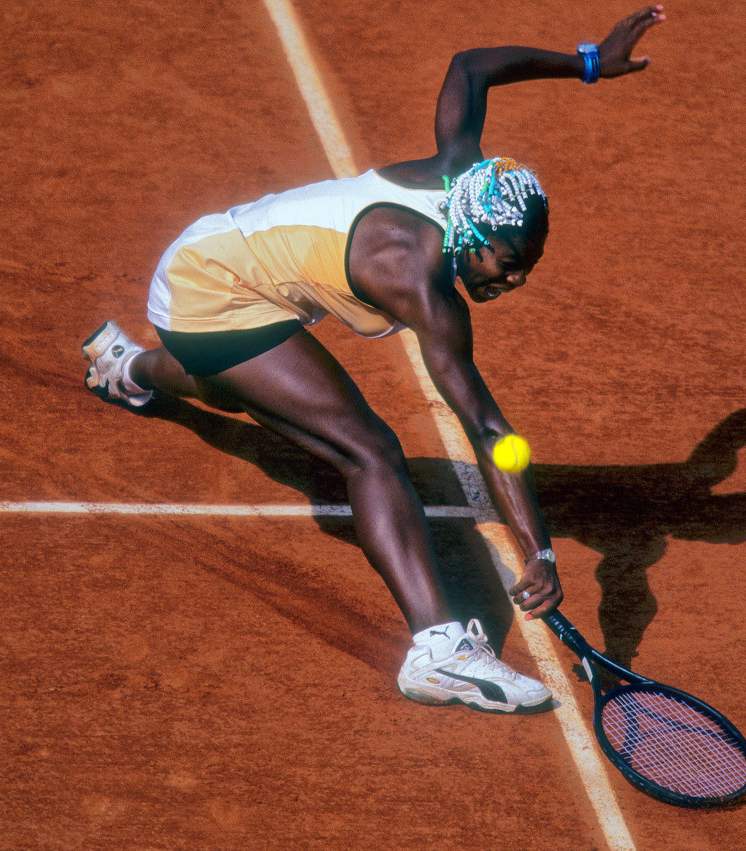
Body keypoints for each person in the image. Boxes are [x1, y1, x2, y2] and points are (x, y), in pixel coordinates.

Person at [82, 6, 665, 713]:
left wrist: (589, 62)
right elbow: (489, 430)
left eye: (526, 268)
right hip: (213, 290)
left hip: (218, 251)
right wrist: (538, 548)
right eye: (505, 264)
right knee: (370, 452)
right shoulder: (416, 280)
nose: (511, 282)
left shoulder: (460, 173)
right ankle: (437, 649)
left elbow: (471, 65)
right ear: (472, 231)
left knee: (236, 387)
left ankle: (129, 367)